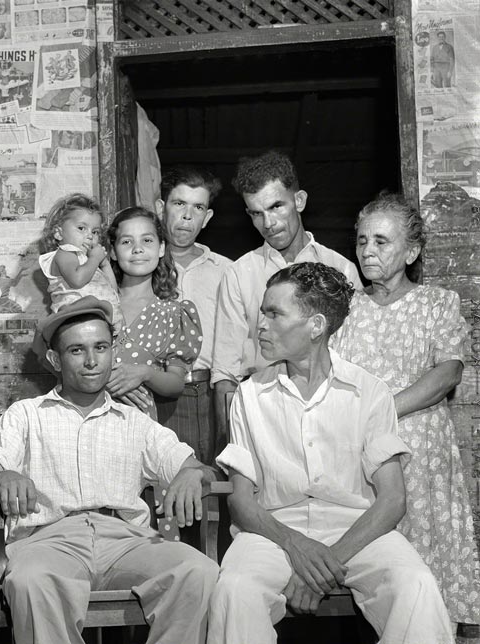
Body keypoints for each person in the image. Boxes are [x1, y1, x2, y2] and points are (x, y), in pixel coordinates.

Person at [208, 262, 453, 644]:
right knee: (235, 589)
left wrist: (327, 563)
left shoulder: (369, 392)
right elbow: (241, 502)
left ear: (316, 326)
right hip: (273, 532)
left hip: (357, 531)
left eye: (274, 314)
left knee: (416, 584)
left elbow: (392, 500)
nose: (260, 325)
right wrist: (296, 545)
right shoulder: (249, 395)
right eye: (262, 312)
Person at [0, 296, 220, 644]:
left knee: (198, 571)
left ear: (112, 350)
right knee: (30, 581)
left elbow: (202, 471)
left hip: (127, 543)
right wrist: (1, 475)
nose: (91, 361)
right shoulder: (26, 414)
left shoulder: (136, 422)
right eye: (77, 350)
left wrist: (194, 473)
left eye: (101, 347)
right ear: (56, 359)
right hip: (50, 541)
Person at [331, 194, 480, 628]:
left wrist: (383, 411)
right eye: (361, 242)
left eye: (381, 241)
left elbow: (447, 372)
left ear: (411, 252)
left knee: (427, 577)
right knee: (373, 577)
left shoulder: (438, 302)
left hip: (423, 458)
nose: (368, 251)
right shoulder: (346, 308)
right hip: (363, 461)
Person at [211, 150, 361, 448]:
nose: (268, 223)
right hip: (264, 419)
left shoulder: (342, 269)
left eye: (276, 206)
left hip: (332, 417)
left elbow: (356, 358)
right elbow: (225, 373)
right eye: (256, 212)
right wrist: (234, 448)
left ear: (299, 200)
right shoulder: (239, 274)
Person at [155, 167, 232, 462]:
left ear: (207, 217)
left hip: (211, 393)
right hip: (156, 391)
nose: (187, 216)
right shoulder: (141, 264)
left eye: (198, 207)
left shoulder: (226, 270)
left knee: (214, 484)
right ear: (161, 208)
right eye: (179, 204)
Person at [106, 206, 203, 419]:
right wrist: (103, 380)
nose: (137, 249)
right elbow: (57, 357)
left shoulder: (174, 314)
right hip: (88, 419)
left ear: (161, 248)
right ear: (113, 251)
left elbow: (176, 384)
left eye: (147, 240)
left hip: (139, 427)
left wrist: (145, 373)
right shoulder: (96, 303)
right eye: (126, 242)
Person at [37, 193, 123, 329]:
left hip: (101, 325)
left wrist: (105, 265)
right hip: (75, 325)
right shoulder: (65, 253)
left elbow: (112, 291)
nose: (89, 236)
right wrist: (95, 259)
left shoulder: (88, 262)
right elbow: (77, 280)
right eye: (81, 228)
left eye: (95, 232)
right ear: (59, 233)